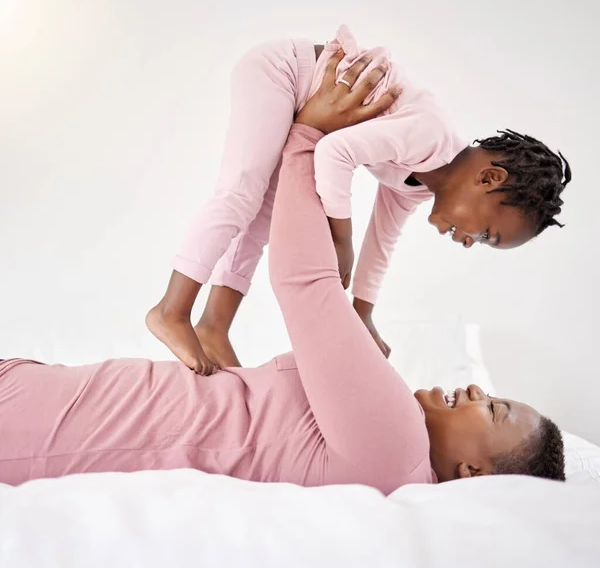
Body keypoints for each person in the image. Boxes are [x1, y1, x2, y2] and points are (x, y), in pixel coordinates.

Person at [0, 57, 565, 489]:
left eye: (493, 407)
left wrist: (307, 135)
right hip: (52, 400)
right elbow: (371, 250)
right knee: (247, 201)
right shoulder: (390, 442)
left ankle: (181, 310)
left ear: (472, 472)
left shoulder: (395, 445)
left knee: (245, 195)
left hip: (46, 420)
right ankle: (203, 318)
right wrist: (363, 308)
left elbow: (306, 282)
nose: (474, 388)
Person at [146, 25, 572, 375]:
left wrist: (364, 311)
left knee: (260, 219)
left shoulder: (421, 186)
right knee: (240, 194)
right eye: (486, 234)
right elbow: (336, 153)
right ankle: (171, 309)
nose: (468, 241)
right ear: (489, 178)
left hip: (304, 107)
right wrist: (340, 238)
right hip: (283, 73)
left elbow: (382, 244)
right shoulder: (429, 133)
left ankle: (214, 326)